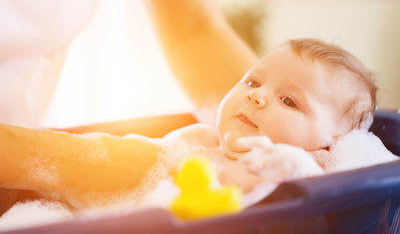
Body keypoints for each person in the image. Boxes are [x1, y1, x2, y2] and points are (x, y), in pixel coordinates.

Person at [0, 38, 381, 211]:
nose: (257, 96)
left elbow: (310, 188)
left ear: (328, 144)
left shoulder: (303, 164)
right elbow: (153, 164)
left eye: (289, 100)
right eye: (253, 81)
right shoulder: (198, 139)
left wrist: (283, 166)